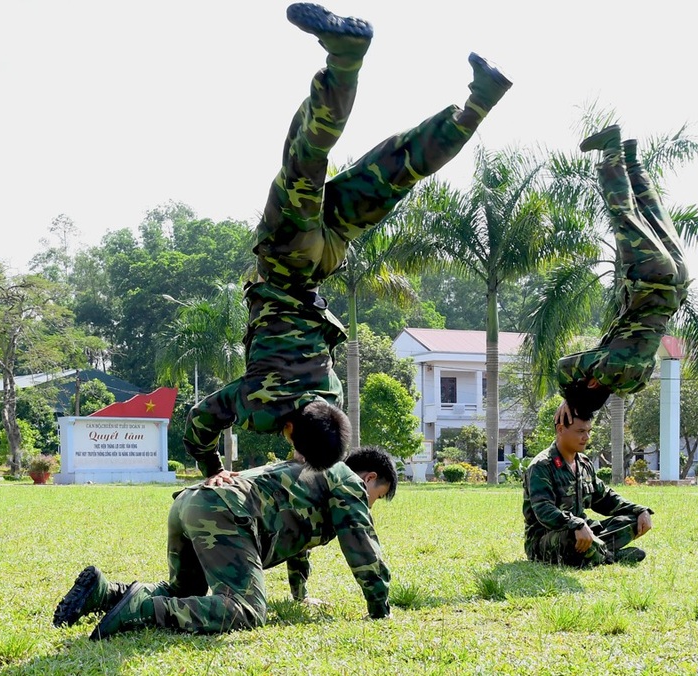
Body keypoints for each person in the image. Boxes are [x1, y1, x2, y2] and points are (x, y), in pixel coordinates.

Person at [183, 2, 512, 485]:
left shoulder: (330, 397)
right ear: (292, 430)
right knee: (307, 158)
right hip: (288, 261)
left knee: (396, 170)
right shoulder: (257, 402)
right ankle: (345, 57)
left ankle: (482, 99)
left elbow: (324, 437)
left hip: (327, 259)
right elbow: (198, 424)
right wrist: (214, 469)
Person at [53, 446, 398, 639]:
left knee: (184, 589)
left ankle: (105, 593)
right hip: (225, 511)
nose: (371, 506)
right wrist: (380, 610)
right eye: (377, 497)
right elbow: (363, 549)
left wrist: (300, 595)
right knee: (246, 610)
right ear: (369, 478)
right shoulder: (350, 484)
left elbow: (300, 544)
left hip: (191, 502)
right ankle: (140, 611)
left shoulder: (316, 473)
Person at [557, 124, 689, 422]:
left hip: (676, 285)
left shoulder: (636, 382)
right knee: (624, 216)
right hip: (648, 278)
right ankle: (612, 149)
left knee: (655, 215)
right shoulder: (605, 368)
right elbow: (563, 367)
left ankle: (632, 159)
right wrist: (569, 396)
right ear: (591, 382)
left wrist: (583, 400)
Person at [523, 406, 652, 567]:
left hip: (582, 530)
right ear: (561, 429)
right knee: (573, 536)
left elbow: (604, 497)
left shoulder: (584, 464)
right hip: (546, 538)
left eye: (589, 431)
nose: (587, 437)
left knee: (631, 521)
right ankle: (611, 557)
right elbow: (543, 510)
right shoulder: (542, 466)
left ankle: (596, 552)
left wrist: (639, 510)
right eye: (580, 431)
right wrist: (575, 523)